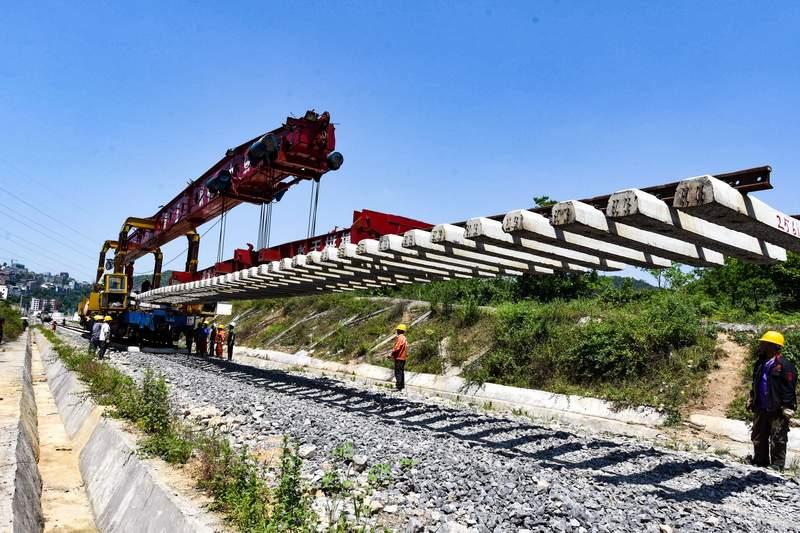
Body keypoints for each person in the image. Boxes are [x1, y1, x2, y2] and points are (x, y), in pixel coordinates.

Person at [748, 330, 797, 470]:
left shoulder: (785, 366)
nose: (761, 345)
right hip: (761, 406)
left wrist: (787, 406)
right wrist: (752, 398)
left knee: (778, 437)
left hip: (777, 409)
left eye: (764, 343)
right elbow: (755, 383)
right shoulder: (760, 363)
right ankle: (760, 461)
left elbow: (789, 387)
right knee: (758, 435)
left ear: (773, 345)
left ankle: (777, 465)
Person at [391, 323, 409, 391]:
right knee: (401, 372)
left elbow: (397, 348)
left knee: (398, 372)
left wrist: (391, 354)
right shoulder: (405, 338)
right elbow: (407, 348)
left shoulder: (400, 338)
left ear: (399, 330)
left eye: (397, 330)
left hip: (399, 357)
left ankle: (398, 386)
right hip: (403, 358)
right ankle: (402, 385)